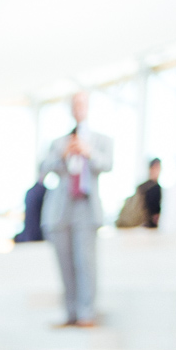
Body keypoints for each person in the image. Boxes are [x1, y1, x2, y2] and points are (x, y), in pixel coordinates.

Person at [40, 91, 113, 327]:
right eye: (75, 104)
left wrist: (88, 151)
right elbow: (43, 168)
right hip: (61, 209)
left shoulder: (100, 140)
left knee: (86, 262)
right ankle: (70, 313)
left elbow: (107, 165)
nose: (79, 108)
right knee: (65, 263)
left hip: (86, 206)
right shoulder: (59, 142)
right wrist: (62, 154)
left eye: (83, 104)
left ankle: (86, 313)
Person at [142, 158, 162, 227]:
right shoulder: (155, 187)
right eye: (157, 167)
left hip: (140, 225)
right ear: (151, 169)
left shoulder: (142, 186)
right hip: (149, 226)